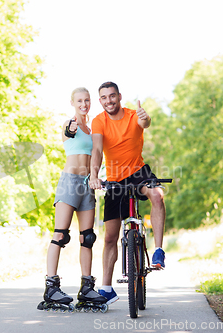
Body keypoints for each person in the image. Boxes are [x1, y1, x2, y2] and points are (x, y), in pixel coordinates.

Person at [88, 81, 166, 305]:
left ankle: (159, 250)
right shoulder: (99, 121)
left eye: (112, 96)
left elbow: (146, 122)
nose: (108, 101)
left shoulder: (134, 116)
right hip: (114, 178)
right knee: (110, 236)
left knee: (157, 195)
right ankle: (106, 288)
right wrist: (94, 175)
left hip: (138, 172)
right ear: (100, 100)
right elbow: (97, 150)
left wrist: (145, 118)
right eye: (104, 98)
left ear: (119, 96)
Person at [40, 87, 107, 311]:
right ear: (72, 103)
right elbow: (68, 133)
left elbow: (97, 154)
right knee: (60, 235)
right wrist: (71, 127)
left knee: (87, 238)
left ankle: (87, 287)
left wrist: (97, 177)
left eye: (87, 100)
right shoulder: (70, 125)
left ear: (91, 102)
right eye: (79, 100)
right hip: (69, 182)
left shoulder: (92, 129)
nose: (84, 104)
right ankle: (51, 287)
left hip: (87, 184)